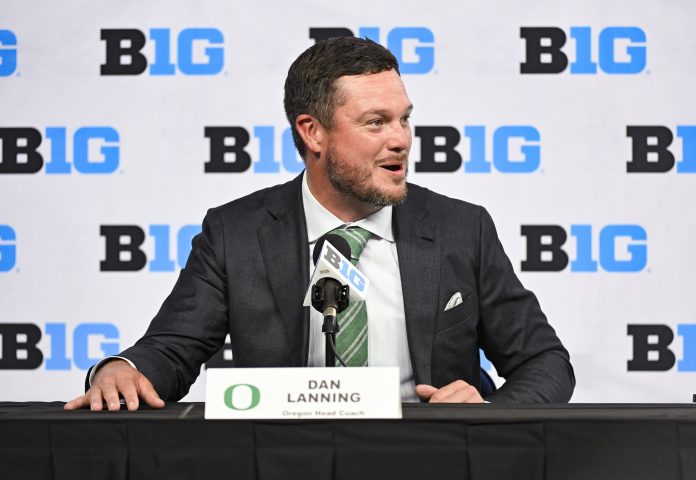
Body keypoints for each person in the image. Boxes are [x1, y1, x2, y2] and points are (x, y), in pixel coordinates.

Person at [65, 37, 574, 411]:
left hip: (427, 455)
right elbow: (172, 349)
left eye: (404, 118)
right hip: (284, 458)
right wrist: (121, 370)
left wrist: (488, 413)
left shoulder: (462, 228)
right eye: (376, 122)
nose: (401, 140)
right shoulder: (236, 233)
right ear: (312, 132)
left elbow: (546, 362)